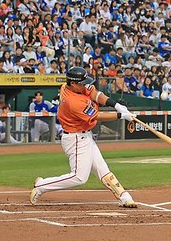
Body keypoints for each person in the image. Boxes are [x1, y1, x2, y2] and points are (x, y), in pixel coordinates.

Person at [30, 67, 137, 208]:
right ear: (73, 83)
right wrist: (121, 115)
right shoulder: (72, 101)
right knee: (79, 177)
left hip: (85, 135)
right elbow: (97, 116)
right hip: (75, 138)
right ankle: (41, 185)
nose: (85, 85)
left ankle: (123, 196)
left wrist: (116, 105)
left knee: (102, 169)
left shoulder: (70, 86)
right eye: (82, 83)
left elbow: (95, 94)